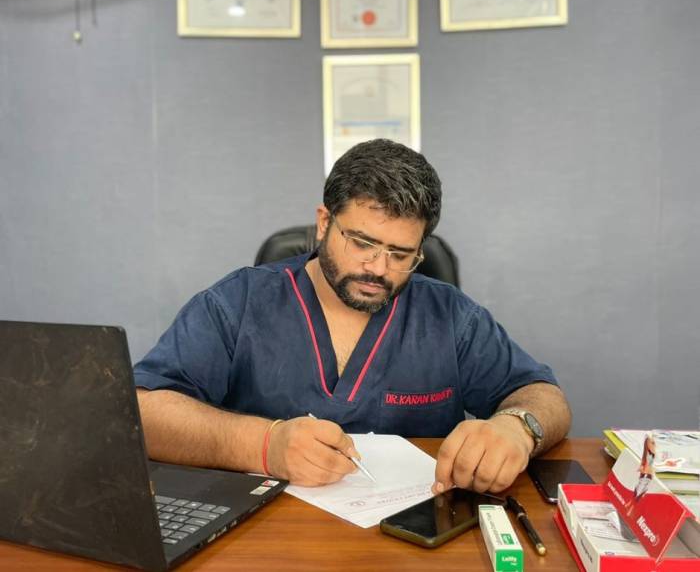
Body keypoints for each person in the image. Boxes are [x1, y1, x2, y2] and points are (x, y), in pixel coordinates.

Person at [134, 139, 571, 493]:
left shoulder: (450, 316)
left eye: (400, 254)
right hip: (266, 542)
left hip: (415, 541)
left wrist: (517, 427)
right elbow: (143, 412)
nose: (378, 268)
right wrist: (263, 445)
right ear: (324, 223)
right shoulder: (240, 303)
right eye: (362, 243)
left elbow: (544, 397)